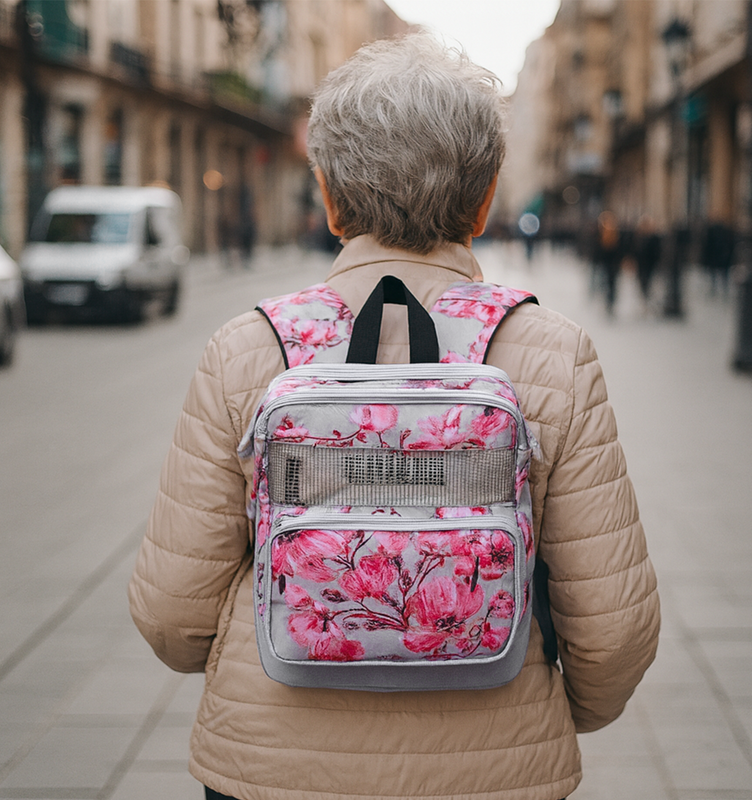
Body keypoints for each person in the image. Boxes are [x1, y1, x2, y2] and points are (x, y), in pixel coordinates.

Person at [128, 34, 659, 800]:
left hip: (272, 766)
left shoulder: (249, 350)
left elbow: (172, 615)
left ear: (330, 198)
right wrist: (543, 706)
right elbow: (614, 630)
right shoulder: (551, 352)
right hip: (495, 767)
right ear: (484, 202)